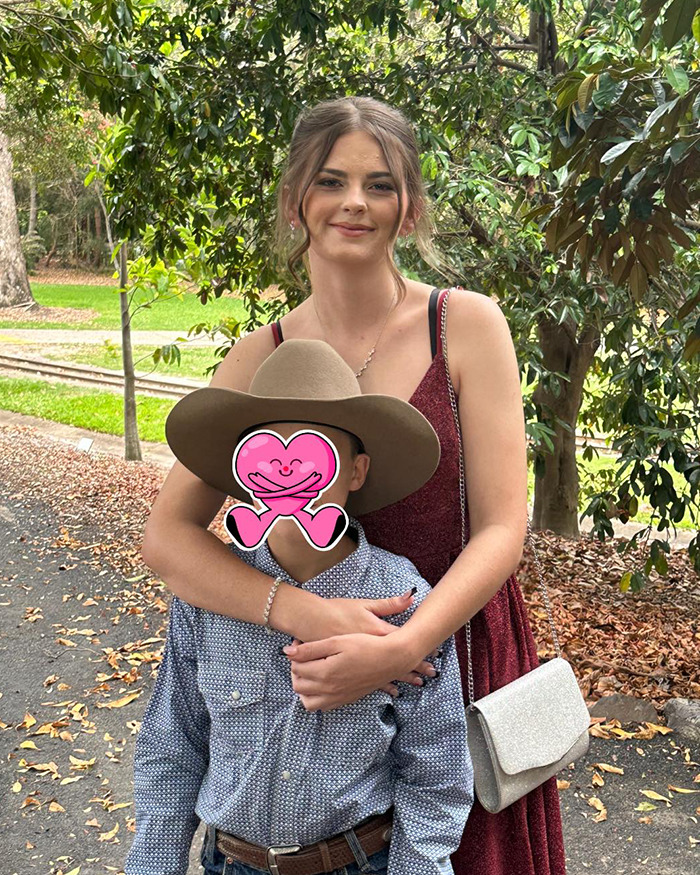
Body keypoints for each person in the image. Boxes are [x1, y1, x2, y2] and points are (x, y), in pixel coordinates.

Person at [141, 95, 567, 874]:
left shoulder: (466, 325)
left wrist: (402, 644)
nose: (355, 203)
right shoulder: (260, 357)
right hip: (307, 674)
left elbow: (503, 528)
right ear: (294, 200)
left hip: (447, 652)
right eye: (331, 180)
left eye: (380, 184)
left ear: (410, 207)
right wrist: (304, 612)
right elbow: (167, 537)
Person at [125, 338, 474, 875]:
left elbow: (437, 774)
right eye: (264, 454)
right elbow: (173, 745)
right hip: (231, 862)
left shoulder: (404, 603)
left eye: (312, 454)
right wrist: (154, 864)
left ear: (355, 471)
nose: (285, 473)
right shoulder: (206, 600)